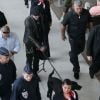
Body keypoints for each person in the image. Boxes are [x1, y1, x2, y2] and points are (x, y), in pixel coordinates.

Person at [61, 0, 93, 79]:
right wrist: (63, 36)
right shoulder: (69, 15)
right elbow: (63, 26)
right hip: (73, 38)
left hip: (82, 37)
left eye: (80, 8)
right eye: (77, 8)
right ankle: (76, 70)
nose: (79, 10)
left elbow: (90, 22)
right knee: (74, 56)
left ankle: (72, 54)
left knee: (81, 50)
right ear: (73, 7)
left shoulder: (86, 12)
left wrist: (91, 32)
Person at [23, 6, 49, 81]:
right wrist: (39, 46)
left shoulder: (41, 17)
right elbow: (30, 36)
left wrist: (44, 44)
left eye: (38, 16)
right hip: (30, 43)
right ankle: (28, 73)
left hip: (38, 41)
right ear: (31, 15)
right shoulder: (28, 20)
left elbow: (44, 32)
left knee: (37, 59)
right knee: (29, 58)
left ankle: (35, 73)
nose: (36, 17)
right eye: (35, 16)